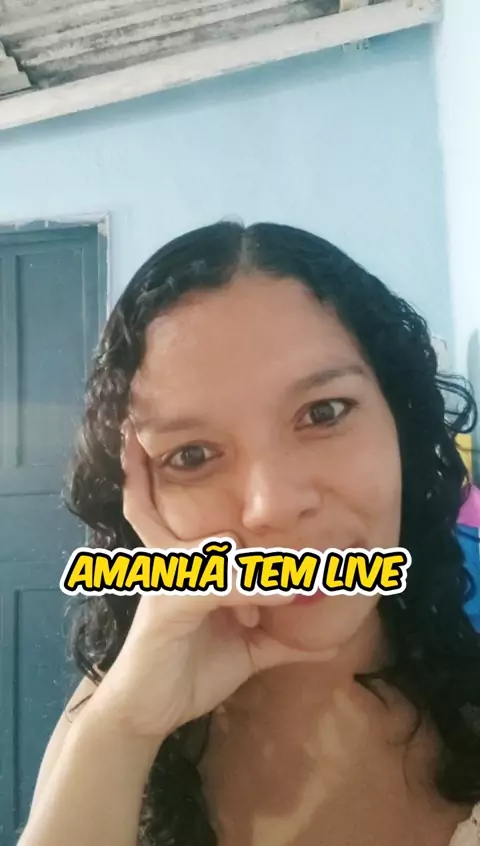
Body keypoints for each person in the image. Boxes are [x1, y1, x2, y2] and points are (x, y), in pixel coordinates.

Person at [18, 221, 480, 846]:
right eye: (192, 455)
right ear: (139, 500)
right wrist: (126, 729)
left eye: (323, 413)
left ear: (399, 422)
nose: (272, 508)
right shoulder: (112, 715)